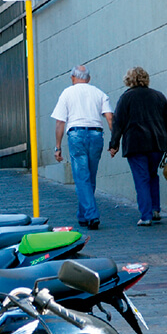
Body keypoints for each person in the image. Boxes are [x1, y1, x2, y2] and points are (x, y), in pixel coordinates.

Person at [109, 66, 167, 226]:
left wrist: (114, 145)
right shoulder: (159, 96)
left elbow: (118, 123)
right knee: (152, 175)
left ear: (128, 80)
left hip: (136, 144)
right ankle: (155, 209)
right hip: (158, 144)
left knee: (142, 179)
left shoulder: (126, 98)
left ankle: (146, 215)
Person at [51, 65, 113, 231]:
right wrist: (114, 141)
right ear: (89, 78)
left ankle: (92, 215)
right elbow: (109, 117)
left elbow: (60, 122)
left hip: (77, 135)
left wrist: (57, 147)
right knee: (89, 177)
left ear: (72, 78)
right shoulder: (99, 93)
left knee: (81, 177)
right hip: (96, 135)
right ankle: (83, 215)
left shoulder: (67, 93)